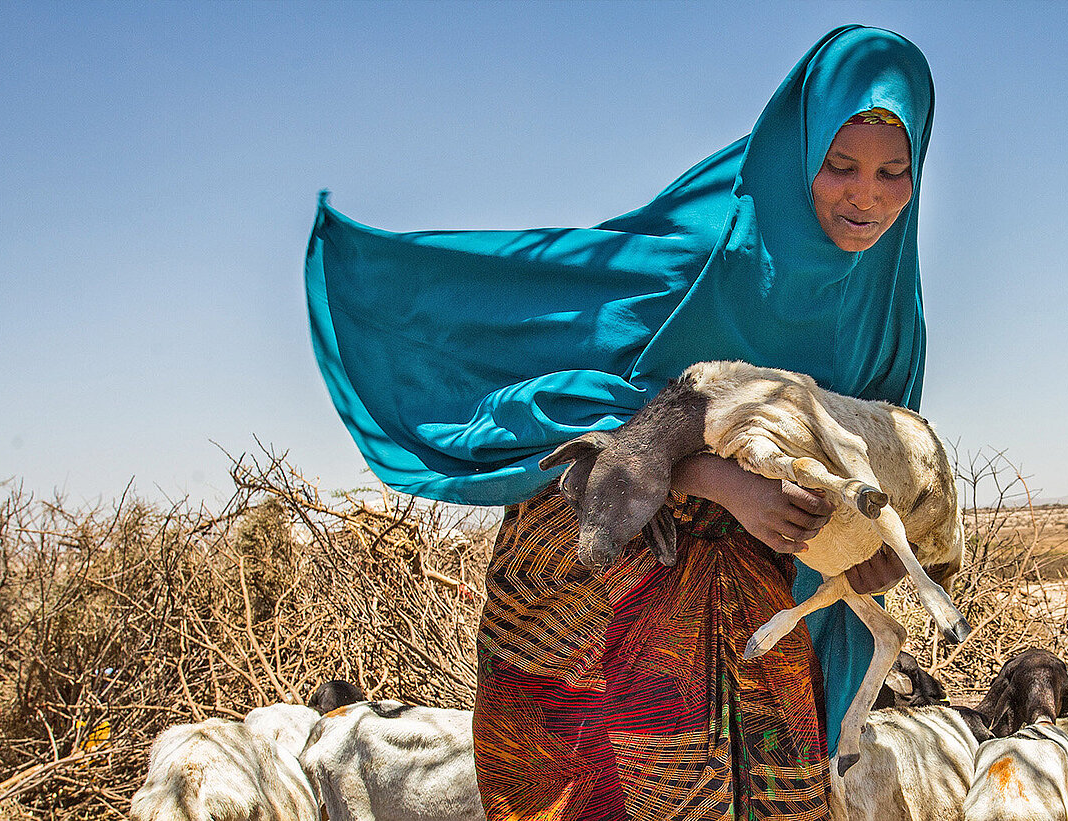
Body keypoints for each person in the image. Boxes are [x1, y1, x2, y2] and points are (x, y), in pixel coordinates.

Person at [302, 26, 936, 821]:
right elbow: (577, 395)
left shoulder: (888, 308)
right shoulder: (714, 253)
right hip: (606, 577)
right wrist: (710, 474)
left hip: (763, 596)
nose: (865, 195)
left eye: (893, 172)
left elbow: (878, 457)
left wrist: (874, 553)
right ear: (798, 150)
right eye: (839, 166)